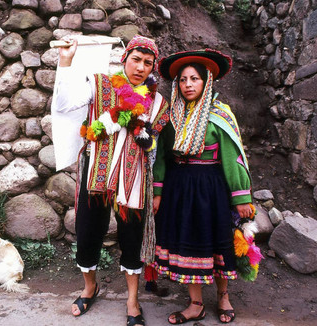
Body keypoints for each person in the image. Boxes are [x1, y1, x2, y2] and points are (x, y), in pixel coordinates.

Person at [52, 35, 169, 326]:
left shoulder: (158, 104)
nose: (141, 67)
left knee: (132, 239)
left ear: (152, 67)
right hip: (97, 175)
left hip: (136, 180)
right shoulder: (100, 84)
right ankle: (90, 287)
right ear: (124, 59)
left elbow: (160, 150)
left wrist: (157, 188)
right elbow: (65, 103)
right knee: (88, 231)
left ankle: (132, 300)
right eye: (136, 60)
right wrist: (66, 60)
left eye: (147, 62)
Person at [152, 49, 254, 324]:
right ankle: (195, 303)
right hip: (179, 190)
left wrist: (241, 196)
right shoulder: (170, 116)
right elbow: (161, 156)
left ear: (206, 81)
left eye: (194, 78)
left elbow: (233, 158)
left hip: (211, 189)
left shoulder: (219, 114)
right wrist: (158, 191)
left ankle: (223, 297)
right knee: (188, 244)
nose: (188, 85)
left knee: (217, 241)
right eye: (183, 80)